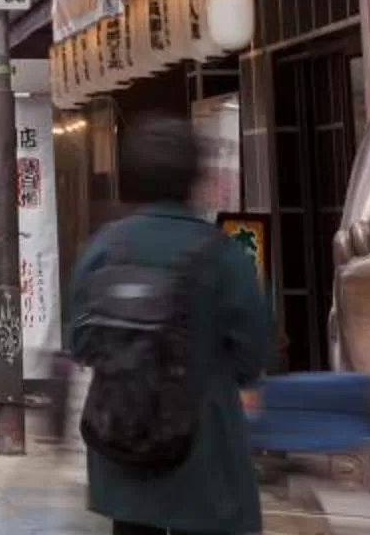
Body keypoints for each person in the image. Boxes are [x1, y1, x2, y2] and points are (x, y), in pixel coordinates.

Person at [69, 111, 271, 535]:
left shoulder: (104, 247)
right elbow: (254, 351)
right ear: (192, 177)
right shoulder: (219, 253)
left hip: (120, 442)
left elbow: (81, 342)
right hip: (202, 449)